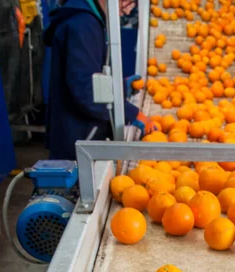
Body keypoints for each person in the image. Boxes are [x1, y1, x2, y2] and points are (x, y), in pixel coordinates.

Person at [44, 0, 156, 160]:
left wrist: (122, 87)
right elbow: (86, 90)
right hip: (78, 140)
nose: (127, 11)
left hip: (77, 132)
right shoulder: (83, 25)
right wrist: (131, 113)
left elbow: (87, 77)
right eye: (129, 2)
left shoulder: (88, 20)